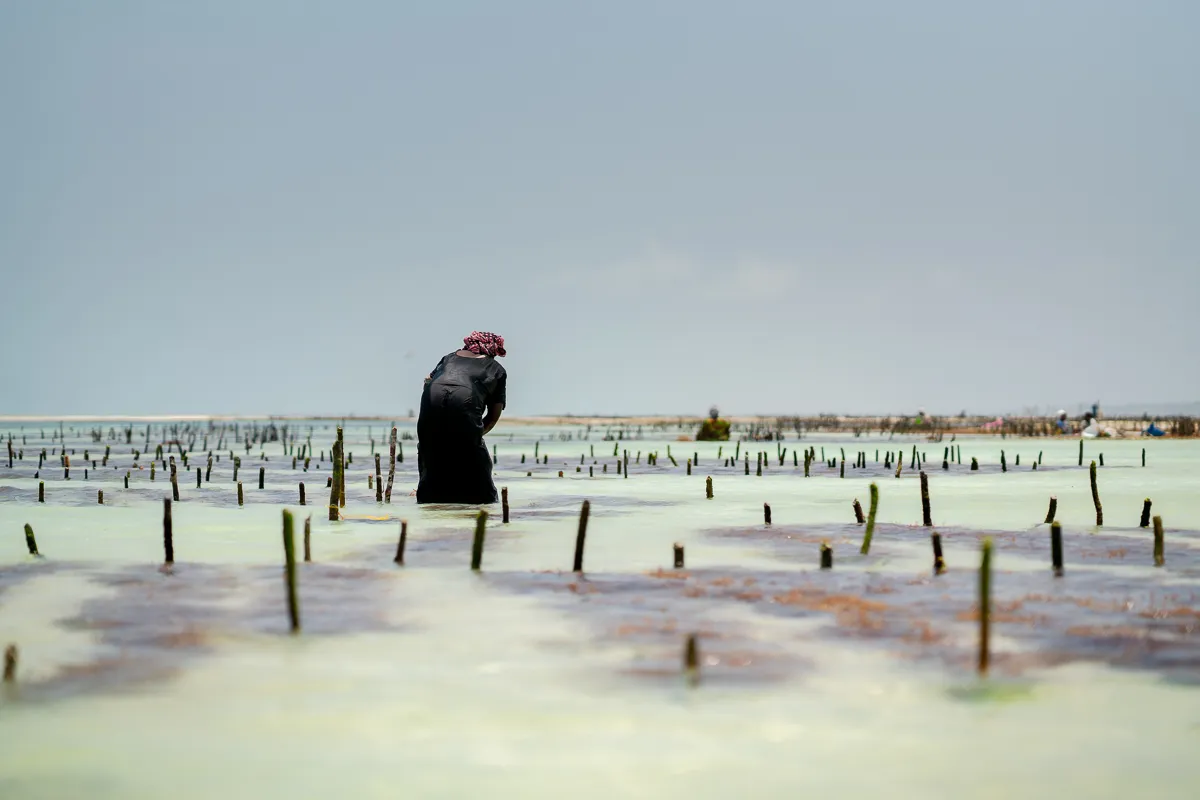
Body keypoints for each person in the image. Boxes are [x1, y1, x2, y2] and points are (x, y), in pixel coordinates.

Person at [416, 331, 507, 504]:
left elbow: (428, 380)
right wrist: (473, 436)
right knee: (476, 462)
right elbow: (493, 416)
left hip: (430, 400)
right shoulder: (495, 369)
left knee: (430, 451)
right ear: (493, 350)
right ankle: (483, 503)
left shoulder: (448, 358)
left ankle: (430, 502)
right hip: (465, 401)